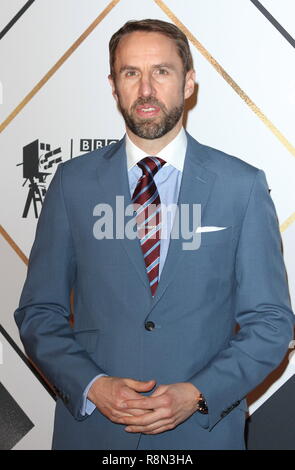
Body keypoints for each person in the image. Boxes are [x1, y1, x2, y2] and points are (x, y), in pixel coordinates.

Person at [14, 19, 294, 450]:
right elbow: (39, 311)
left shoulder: (241, 185)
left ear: (189, 84)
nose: (146, 89)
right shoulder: (73, 184)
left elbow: (271, 322)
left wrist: (198, 395)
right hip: (94, 435)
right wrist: (92, 386)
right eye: (131, 73)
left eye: (161, 71)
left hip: (203, 434)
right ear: (113, 86)